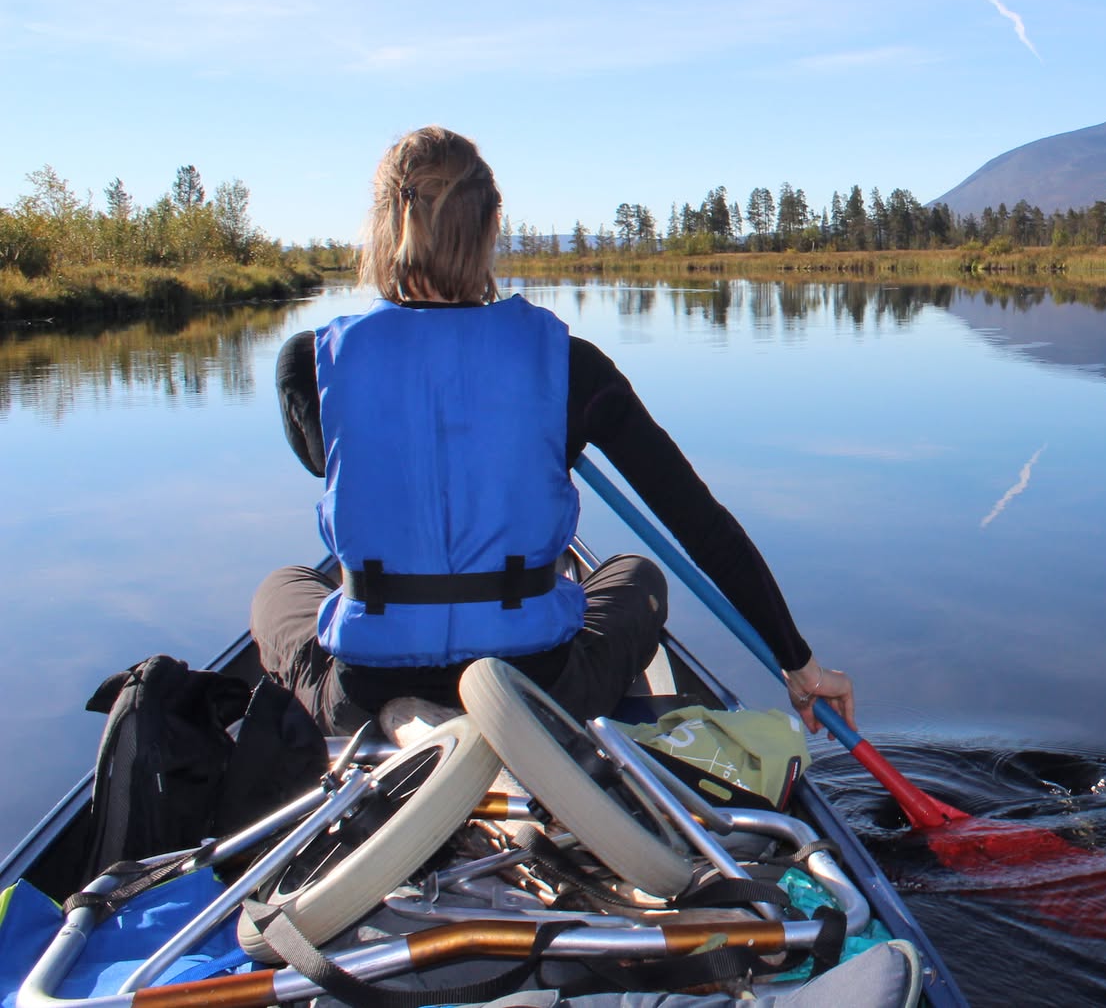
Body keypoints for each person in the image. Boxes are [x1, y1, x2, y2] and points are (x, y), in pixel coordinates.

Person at [251, 126, 854, 738]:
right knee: (637, 576)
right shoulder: (571, 366)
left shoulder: (311, 363)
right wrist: (798, 663)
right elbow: (699, 522)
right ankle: (501, 724)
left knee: (280, 590)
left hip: (367, 684)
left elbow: (322, 460)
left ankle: (406, 720)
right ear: (491, 228)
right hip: (539, 683)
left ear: (382, 227)